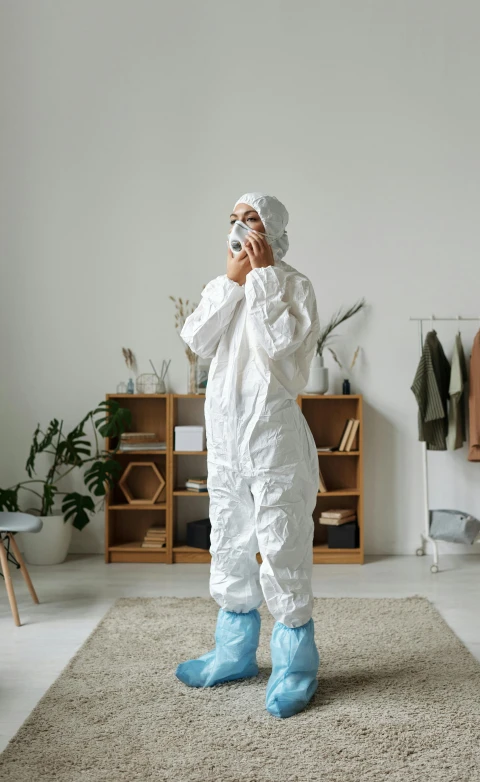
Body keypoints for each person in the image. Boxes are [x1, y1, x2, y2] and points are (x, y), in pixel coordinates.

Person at [176, 192, 321, 719]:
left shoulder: (293, 286)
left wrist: (261, 279)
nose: (239, 228)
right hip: (227, 440)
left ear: (274, 230)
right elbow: (195, 337)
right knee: (229, 539)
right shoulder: (228, 284)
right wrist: (233, 282)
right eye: (234, 220)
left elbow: (282, 352)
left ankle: (295, 666)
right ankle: (233, 653)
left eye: (251, 219)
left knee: (281, 543)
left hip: (274, 440)